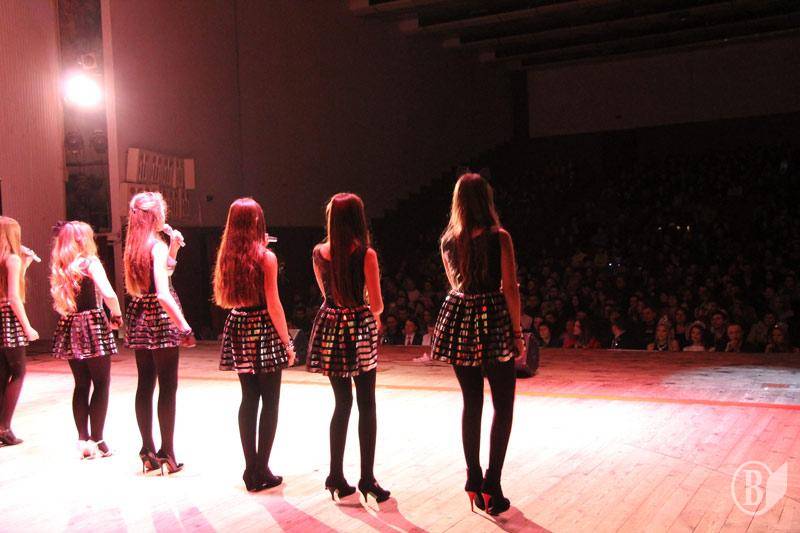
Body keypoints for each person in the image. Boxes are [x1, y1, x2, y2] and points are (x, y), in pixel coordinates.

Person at [431, 174, 523, 516]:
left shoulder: (448, 241)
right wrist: (517, 333)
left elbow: (455, 283)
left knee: (471, 402)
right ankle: (492, 484)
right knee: (503, 405)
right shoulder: (500, 238)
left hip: (460, 319)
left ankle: (473, 477)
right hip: (494, 320)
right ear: (487, 200)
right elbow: (510, 288)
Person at [306, 193, 389, 503]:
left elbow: (325, 293)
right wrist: (366, 307)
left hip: (330, 325)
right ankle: (367, 478)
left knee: (341, 403)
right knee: (367, 404)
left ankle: (335, 476)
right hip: (358, 327)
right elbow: (377, 305)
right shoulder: (366, 254)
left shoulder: (318, 252)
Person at [214, 198, 296, 492]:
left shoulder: (227, 255)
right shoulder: (266, 257)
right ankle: (262, 467)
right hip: (263, 326)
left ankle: (251, 468)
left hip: (238, 324)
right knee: (270, 401)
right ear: (257, 222)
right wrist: (287, 342)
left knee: (248, 398)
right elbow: (274, 304)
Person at [123, 191, 195, 475]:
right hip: (161, 318)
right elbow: (163, 293)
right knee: (167, 385)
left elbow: (162, 275)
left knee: (145, 383)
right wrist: (184, 326)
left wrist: (173, 249)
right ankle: (168, 453)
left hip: (140, 315)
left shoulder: (135, 246)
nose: (166, 215)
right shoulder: (155, 246)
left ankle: (147, 451)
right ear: (154, 215)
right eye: (163, 210)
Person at [50, 221, 122, 459]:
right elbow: (108, 293)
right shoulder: (90, 262)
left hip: (70, 325)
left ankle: (83, 440)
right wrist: (117, 314)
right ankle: (98, 440)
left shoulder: (61, 266)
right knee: (101, 383)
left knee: (81, 384)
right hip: (92, 324)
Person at [0, 217, 39, 446]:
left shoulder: (12, 260)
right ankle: (5, 427)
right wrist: (27, 327)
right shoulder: (11, 258)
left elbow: (7, 287)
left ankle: (2, 427)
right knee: (18, 372)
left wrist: (26, 265)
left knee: (2, 373)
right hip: (8, 319)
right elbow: (14, 297)